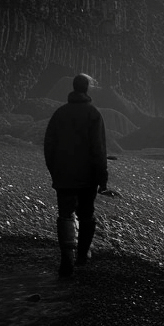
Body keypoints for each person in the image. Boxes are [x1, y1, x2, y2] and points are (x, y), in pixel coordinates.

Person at [43, 73, 109, 277]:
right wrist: (102, 177)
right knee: (86, 215)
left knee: (65, 215)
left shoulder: (59, 113)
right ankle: (81, 256)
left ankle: (66, 260)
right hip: (87, 177)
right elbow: (98, 150)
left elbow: (49, 145)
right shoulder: (93, 114)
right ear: (87, 89)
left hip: (63, 175)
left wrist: (55, 170)